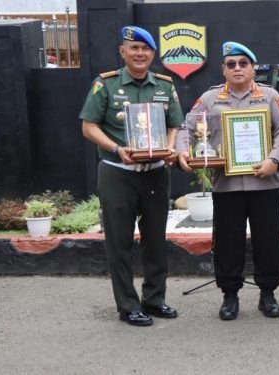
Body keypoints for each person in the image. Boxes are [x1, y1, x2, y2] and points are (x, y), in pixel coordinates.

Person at [177, 42, 279, 321]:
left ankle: (268, 294)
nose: (237, 68)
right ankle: (230, 295)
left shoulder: (269, 95)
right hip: (226, 186)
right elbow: (187, 128)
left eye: (243, 63)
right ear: (223, 69)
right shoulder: (209, 99)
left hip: (265, 184)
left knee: (268, 242)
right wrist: (183, 150)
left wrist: (274, 160)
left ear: (253, 68)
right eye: (231, 64)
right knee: (228, 243)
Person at [79, 26, 182, 327]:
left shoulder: (164, 86)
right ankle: (127, 304)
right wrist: (116, 147)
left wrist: (170, 148)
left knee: (155, 240)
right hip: (117, 172)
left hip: (154, 174)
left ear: (153, 54)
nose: (139, 54)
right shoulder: (106, 85)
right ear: (123, 52)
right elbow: (88, 126)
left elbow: (175, 123)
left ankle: (155, 299)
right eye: (133, 48)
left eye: (145, 49)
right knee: (119, 242)